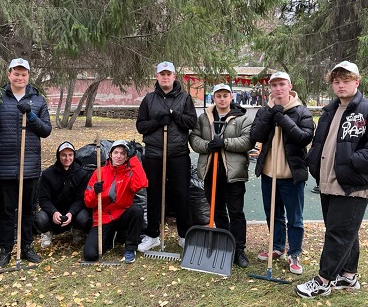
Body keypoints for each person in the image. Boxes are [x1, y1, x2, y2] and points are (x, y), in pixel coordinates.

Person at [295, 61, 368, 298]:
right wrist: (313, 162)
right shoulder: (330, 111)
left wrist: (353, 162)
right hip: (328, 180)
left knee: (338, 233)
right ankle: (348, 276)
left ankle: (323, 280)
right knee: (343, 230)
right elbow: (320, 142)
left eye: (346, 80)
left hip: (353, 183)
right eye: (336, 82)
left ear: (357, 82)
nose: (341, 85)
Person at [0, 58, 52, 268]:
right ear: (9, 74)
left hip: (29, 167)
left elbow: (46, 131)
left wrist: (30, 116)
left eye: (24, 74)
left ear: (28, 76)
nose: (20, 77)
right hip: (4, 166)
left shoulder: (37, 100)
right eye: (16, 73)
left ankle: (26, 247)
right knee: (6, 210)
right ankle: (5, 250)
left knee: (27, 210)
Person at [250, 72, 314, 275]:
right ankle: (277, 246)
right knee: (273, 214)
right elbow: (255, 135)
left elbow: (304, 138)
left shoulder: (302, 111)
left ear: (289, 86)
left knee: (295, 218)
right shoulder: (264, 111)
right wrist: (270, 115)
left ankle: (294, 253)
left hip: (291, 175)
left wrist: (283, 120)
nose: (278, 89)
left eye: (282, 84)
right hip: (270, 174)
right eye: (274, 85)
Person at [189, 83, 255, 268]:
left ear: (231, 97)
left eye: (226, 95)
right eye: (219, 95)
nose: (222, 99)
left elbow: (248, 140)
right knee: (216, 211)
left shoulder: (242, 118)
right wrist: (207, 145)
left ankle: (239, 250)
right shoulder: (204, 118)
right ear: (214, 98)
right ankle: (226, 245)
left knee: (236, 212)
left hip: (232, 173)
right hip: (211, 171)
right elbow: (194, 138)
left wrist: (224, 143)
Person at [136, 61, 197, 252]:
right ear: (156, 77)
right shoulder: (148, 99)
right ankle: (153, 235)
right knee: (154, 195)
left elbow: (191, 122)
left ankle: (184, 235)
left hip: (178, 153)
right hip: (154, 154)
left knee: (181, 194)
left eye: (168, 74)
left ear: (174, 76)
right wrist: (156, 121)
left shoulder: (185, 98)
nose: (165, 77)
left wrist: (173, 115)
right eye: (162, 74)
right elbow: (141, 126)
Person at [83, 140, 148, 263]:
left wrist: (134, 159)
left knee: (137, 211)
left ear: (126, 157)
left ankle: (130, 248)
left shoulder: (129, 173)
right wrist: (94, 193)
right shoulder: (99, 173)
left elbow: (142, 183)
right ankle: (111, 237)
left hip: (122, 215)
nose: (118, 156)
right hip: (103, 218)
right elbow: (88, 202)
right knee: (90, 255)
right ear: (110, 154)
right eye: (116, 152)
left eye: (123, 153)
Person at [34, 141, 92, 247]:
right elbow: (43, 199)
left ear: (74, 156)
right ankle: (47, 233)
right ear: (58, 156)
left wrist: (71, 213)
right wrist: (54, 212)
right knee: (40, 218)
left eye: (70, 155)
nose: (67, 158)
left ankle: (76, 230)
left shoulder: (82, 174)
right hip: (54, 211)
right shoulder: (47, 174)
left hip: (73, 212)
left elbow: (81, 199)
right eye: (63, 155)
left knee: (84, 217)